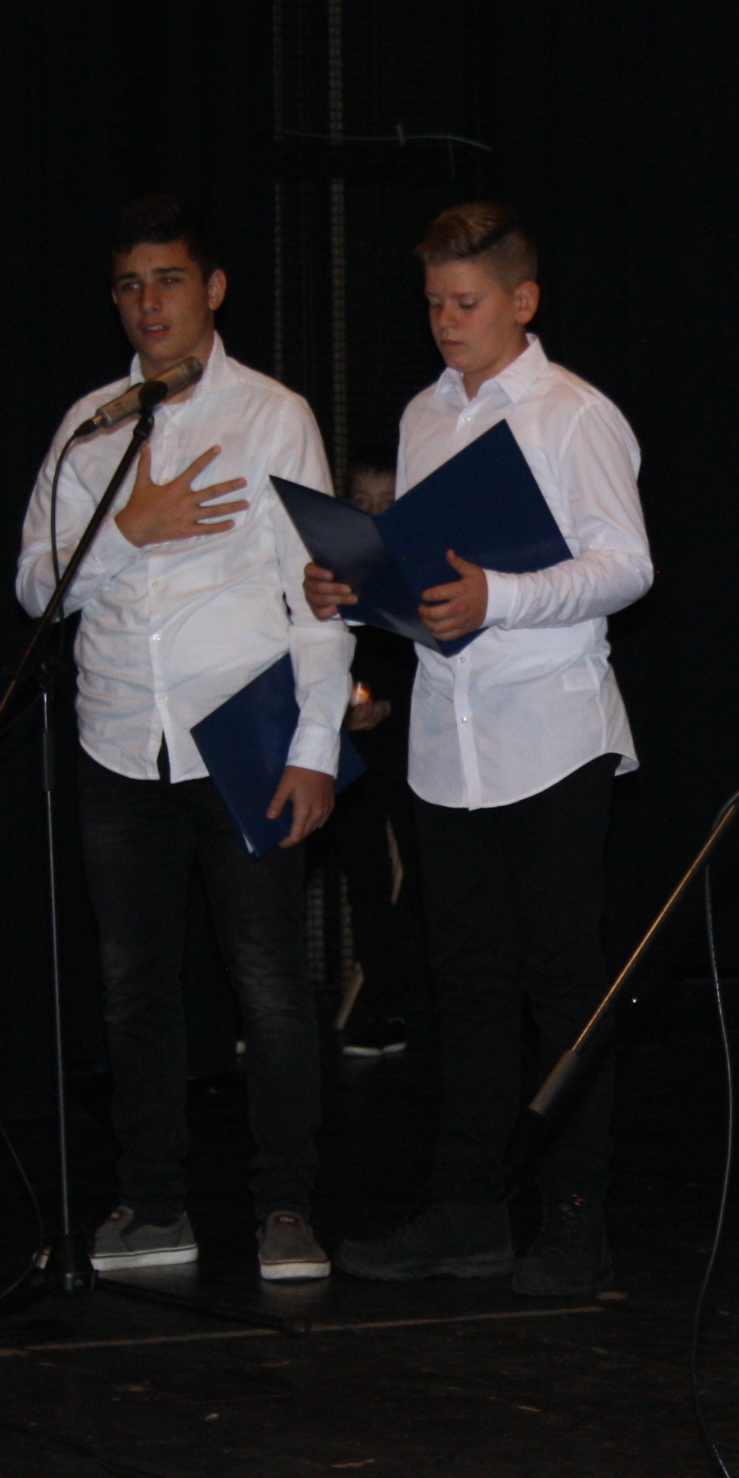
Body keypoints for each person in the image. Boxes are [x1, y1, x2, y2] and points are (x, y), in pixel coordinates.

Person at [308, 202, 652, 1298]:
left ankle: (574, 1214)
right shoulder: (422, 416)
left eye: (465, 302)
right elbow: (425, 569)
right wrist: (357, 586)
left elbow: (626, 565)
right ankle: (468, 1207)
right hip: (446, 739)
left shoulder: (572, 413)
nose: (446, 322)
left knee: (562, 980)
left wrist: (499, 595)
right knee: (464, 981)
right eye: (433, 305)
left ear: (522, 300)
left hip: (549, 733)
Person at [13, 194, 349, 1284]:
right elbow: (35, 588)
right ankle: (153, 1202)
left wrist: (314, 745)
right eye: (128, 284)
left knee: (269, 985)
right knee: (134, 987)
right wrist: (128, 530)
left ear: (213, 289)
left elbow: (318, 593)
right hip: (119, 742)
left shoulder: (273, 415)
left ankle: (286, 1204)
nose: (147, 302)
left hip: (243, 737)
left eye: (167, 279)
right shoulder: (91, 425)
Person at [328, 449, 427, 1059]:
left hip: (412, 740)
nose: (373, 515)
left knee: (424, 869)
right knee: (362, 874)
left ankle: (420, 1001)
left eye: (386, 503)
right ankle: (387, 1005)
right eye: (361, 503)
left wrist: (389, 704)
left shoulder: (425, 563)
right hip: (347, 741)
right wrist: (343, 702)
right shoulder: (330, 570)